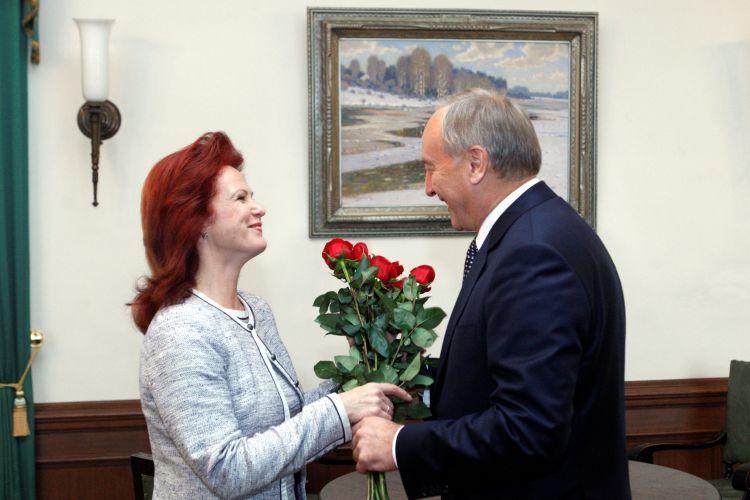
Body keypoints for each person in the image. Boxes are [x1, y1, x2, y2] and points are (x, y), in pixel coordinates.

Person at [351, 89, 630, 499]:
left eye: (431, 168)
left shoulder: (532, 252)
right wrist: (413, 376)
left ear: (476, 163)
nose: (428, 188)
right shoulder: (537, 230)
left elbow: (528, 429)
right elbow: (501, 372)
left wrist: (398, 443)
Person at [131, 131, 410, 499]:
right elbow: (226, 470)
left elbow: (287, 428)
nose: (258, 208)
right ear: (196, 220)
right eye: (241, 198)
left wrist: (362, 366)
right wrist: (340, 410)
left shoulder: (256, 311)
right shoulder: (180, 331)